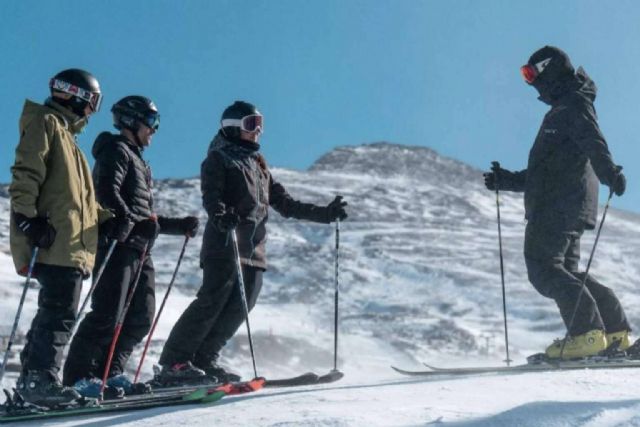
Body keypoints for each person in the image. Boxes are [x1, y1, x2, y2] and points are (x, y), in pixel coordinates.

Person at [156, 101, 348, 384]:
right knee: (212, 301)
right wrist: (221, 216)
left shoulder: (258, 164)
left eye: (260, 124)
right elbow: (212, 196)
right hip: (225, 242)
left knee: (240, 307)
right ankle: (174, 362)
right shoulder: (218, 159)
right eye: (250, 124)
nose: (257, 131)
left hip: (254, 249)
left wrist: (325, 214)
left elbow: (285, 203)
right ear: (232, 127)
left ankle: (204, 359)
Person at [484, 46, 630, 360]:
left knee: (543, 269)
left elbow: (593, 140)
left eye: (531, 73)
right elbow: (548, 170)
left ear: (549, 69)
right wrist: (507, 180)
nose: (531, 81)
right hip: (568, 203)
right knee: (568, 273)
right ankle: (614, 332)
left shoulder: (571, 105)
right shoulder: (567, 106)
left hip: (556, 206)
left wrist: (609, 172)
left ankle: (587, 335)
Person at [62, 96, 200, 395]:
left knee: (141, 317)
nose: (154, 129)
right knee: (107, 314)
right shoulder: (115, 150)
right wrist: (130, 222)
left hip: (139, 247)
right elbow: (106, 193)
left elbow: (143, 214)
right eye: (151, 122)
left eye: (157, 123)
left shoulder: (137, 158)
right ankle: (76, 378)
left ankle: (108, 373)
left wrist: (177, 226)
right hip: (116, 243)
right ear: (130, 120)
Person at [9, 68, 113, 406]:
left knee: (54, 312)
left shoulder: (71, 143)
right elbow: (26, 170)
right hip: (54, 240)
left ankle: (32, 380)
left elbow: (78, 202)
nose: (92, 110)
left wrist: (107, 221)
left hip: (72, 244)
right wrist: (27, 218)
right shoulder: (47, 124)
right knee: (59, 312)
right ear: (79, 96)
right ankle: (40, 380)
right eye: (93, 102)